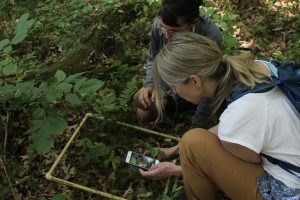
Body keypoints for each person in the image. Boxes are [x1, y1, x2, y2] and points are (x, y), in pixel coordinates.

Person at [146, 32, 300, 199]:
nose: (174, 93)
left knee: (191, 141)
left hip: (291, 190)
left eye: (172, 88)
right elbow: (244, 124)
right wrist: (173, 150)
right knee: (189, 143)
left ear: (195, 81)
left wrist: (176, 170)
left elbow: (247, 164)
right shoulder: (258, 68)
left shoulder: (235, 117)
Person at [133, 0, 222, 124]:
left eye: (174, 31)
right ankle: (168, 111)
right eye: (163, 29)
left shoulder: (210, 36)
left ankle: (180, 110)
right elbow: (153, 57)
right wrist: (150, 84)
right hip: (170, 84)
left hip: (194, 88)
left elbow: (209, 84)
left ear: (193, 23)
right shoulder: (160, 27)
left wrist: (196, 126)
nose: (167, 36)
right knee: (143, 109)